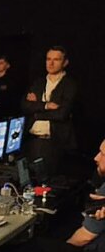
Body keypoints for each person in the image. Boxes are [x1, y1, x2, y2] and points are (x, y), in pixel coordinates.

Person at [23, 45, 77, 178]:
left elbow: (61, 114)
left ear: (65, 62)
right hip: (31, 140)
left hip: (53, 142)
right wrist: (45, 105)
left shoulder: (69, 85)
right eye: (48, 59)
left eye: (56, 60)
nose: (51, 63)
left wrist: (36, 112)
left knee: (47, 179)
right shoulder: (38, 82)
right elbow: (25, 106)